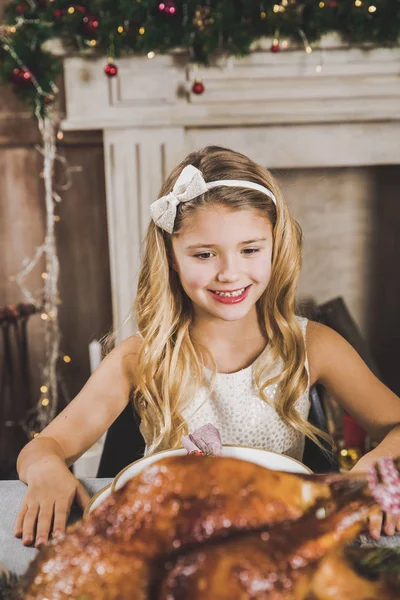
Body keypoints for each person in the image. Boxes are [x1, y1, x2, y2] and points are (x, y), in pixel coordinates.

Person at [15, 146, 400, 548]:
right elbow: (46, 445)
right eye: (204, 254)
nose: (230, 273)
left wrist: (377, 463)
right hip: (175, 545)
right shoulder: (140, 357)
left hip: (283, 542)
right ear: (172, 258)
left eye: (250, 249)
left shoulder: (313, 346)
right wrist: (46, 469)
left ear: (275, 247)